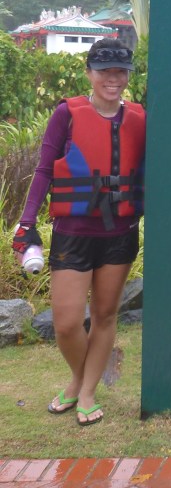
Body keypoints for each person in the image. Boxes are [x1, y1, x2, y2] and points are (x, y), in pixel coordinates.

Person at [11, 37, 145, 427]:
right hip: (73, 232)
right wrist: (26, 222)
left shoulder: (140, 118)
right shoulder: (66, 114)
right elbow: (44, 170)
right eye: (104, 71)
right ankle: (78, 378)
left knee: (105, 315)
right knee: (67, 323)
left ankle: (85, 392)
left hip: (120, 234)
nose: (113, 79)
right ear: (89, 73)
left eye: (120, 72)